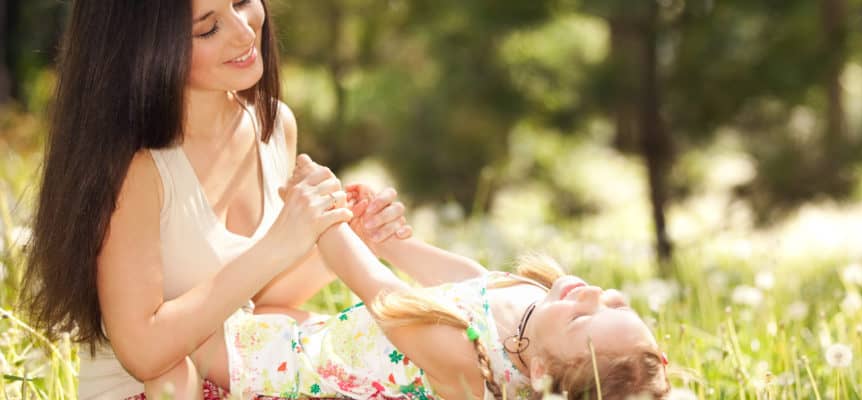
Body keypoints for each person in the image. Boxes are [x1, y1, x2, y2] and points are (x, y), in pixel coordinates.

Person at [18, 0, 410, 398]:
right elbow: (145, 352)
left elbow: (254, 300)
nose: (244, 32)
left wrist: (345, 237)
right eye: (208, 28)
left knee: (397, 355)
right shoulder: (136, 169)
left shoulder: (272, 126)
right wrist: (281, 242)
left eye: (241, 2)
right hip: (151, 390)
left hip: (232, 370)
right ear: (147, 47)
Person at [196, 156, 672, 400]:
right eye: (614, 302)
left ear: (542, 376)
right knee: (261, 305)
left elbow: (380, 291)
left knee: (190, 334)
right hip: (326, 338)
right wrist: (385, 239)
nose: (588, 293)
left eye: (580, 320)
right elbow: (470, 282)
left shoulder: (469, 368)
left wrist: (325, 215)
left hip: (293, 375)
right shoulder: (537, 304)